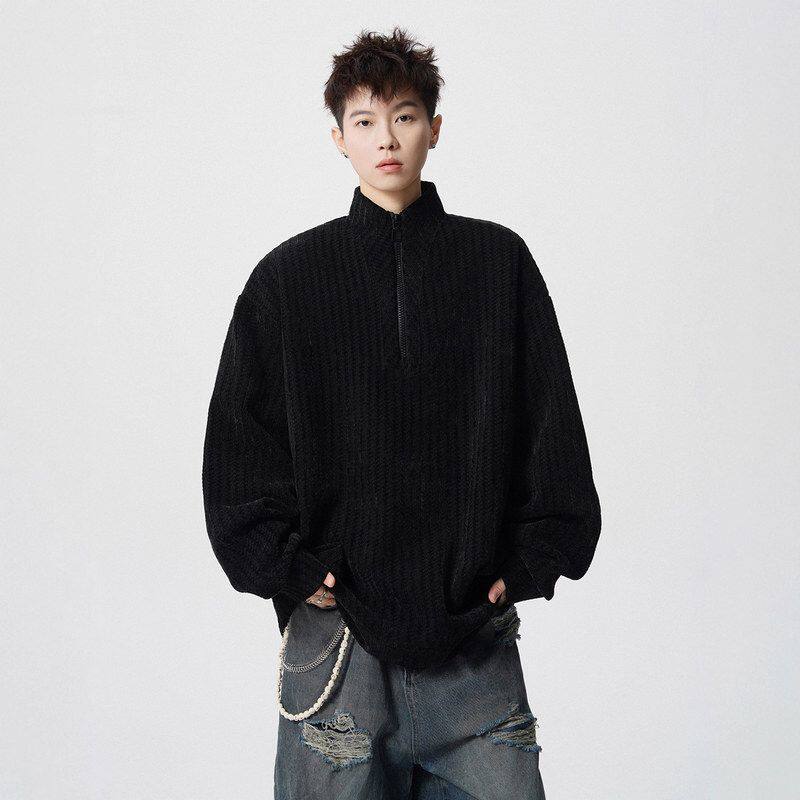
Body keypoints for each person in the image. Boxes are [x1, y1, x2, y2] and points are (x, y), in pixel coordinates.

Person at [202, 26, 601, 800]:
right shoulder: (289, 278)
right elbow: (240, 449)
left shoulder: (499, 265)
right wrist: (289, 567)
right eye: (365, 121)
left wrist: (527, 562)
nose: (386, 139)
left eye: (405, 116)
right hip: (338, 648)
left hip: (472, 647)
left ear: (435, 128)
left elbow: (551, 424)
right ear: (339, 138)